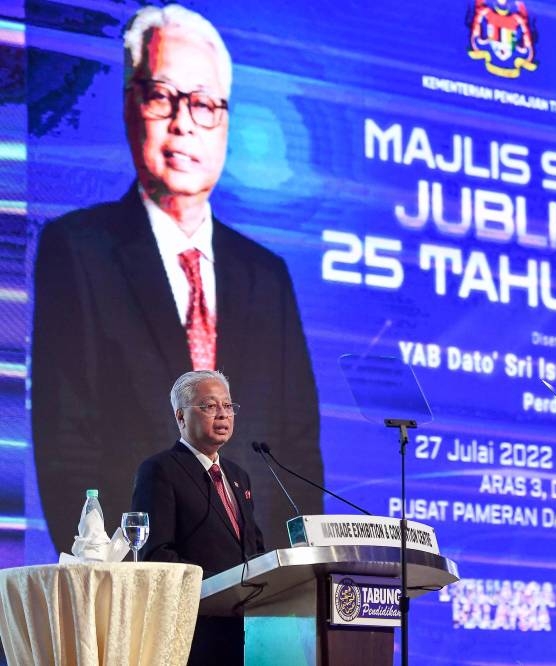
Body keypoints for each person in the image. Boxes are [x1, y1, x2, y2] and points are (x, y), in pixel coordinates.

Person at [31, 3, 322, 553]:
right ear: (130, 105)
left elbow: (299, 451)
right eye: (163, 96)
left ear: (227, 121)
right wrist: (107, 571)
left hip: (254, 594)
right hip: (135, 576)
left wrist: (290, 581)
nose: (184, 122)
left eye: (205, 104)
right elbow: (64, 441)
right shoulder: (78, 249)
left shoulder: (268, 274)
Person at [132, 370, 263, 665]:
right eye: (209, 406)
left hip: (248, 633)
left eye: (228, 406)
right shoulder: (160, 470)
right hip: (195, 632)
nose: (222, 415)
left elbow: (254, 549)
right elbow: (157, 554)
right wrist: (217, 588)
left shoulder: (238, 476)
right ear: (180, 417)